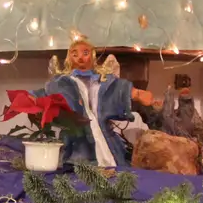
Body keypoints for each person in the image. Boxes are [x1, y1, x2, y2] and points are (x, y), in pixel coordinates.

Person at [36, 36, 153, 168]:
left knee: (112, 158)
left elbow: (117, 89)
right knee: (79, 160)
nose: (80, 57)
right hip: (78, 136)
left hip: (103, 131)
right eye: (75, 54)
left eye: (85, 53)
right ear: (69, 58)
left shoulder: (103, 81)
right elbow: (49, 95)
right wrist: (32, 100)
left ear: (92, 56)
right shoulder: (64, 82)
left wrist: (136, 93)